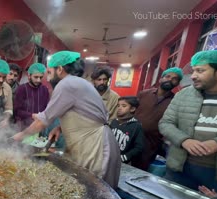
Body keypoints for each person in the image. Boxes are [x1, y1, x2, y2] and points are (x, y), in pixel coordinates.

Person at [12, 51, 121, 188]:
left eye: (50, 73)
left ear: (60, 69)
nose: (48, 78)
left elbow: (43, 120)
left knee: (94, 190)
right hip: (97, 141)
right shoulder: (79, 82)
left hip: (95, 147)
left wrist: (21, 135)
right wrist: (60, 128)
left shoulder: (67, 84)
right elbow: (86, 114)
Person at [159, 50, 217, 195]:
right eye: (194, 70)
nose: (193, 76)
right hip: (180, 169)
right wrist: (184, 140)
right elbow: (166, 123)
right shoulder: (184, 94)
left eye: (200, 71)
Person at [132, 67, 182, 171]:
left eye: (174, 78)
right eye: (167, 76)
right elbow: (132, 111)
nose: (170, 80)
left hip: (151, 143)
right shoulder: (144, 94)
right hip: (132, 136)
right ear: (161, 79)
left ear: (177, 83)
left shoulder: (176, 101)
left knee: (140, 170)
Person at [13, 63, 50, 130]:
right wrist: (32, 115)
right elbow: (16, 111)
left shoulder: (44, 90)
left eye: (41, 77)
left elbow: (47, 109)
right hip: (23, 127)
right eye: (36, 77)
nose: (38, 80)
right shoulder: (22, 89)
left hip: (40, 126)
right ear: (29, 76)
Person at [110, 96, 144, 164]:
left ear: (132, 109)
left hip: (122, 162)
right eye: (118, 105)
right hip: (109, 157)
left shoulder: (136, 126)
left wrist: (125, 157)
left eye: (124, 106)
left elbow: (139, 147)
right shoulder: (114, 122)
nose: (119, 108)